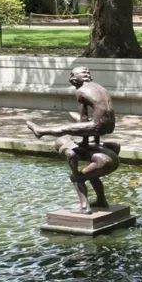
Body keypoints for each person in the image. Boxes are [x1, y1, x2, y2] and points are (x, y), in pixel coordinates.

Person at [26, 67, 121, 212]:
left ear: (75, 79)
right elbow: (98, 117)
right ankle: (101, 200)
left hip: (96, 126)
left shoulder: (81, 91)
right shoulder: (99, 88)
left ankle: (41, 131)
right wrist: (94, 143)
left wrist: (83, 143)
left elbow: (84, 118)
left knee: (66, 129)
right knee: (92, 174)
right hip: (108, 125)